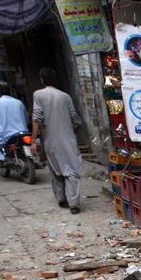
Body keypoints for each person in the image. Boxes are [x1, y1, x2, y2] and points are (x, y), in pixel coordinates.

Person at [32, 68, 84, 214]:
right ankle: (74, 204)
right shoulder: (65, 96)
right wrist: (72, 133)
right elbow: (75, 119)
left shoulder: (38, 95)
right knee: (72, 171)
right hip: (68, 139)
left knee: (56, 170)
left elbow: (37, 119)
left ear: (42, 80)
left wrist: (33, 141)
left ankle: (61, 198)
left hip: (51, 140)